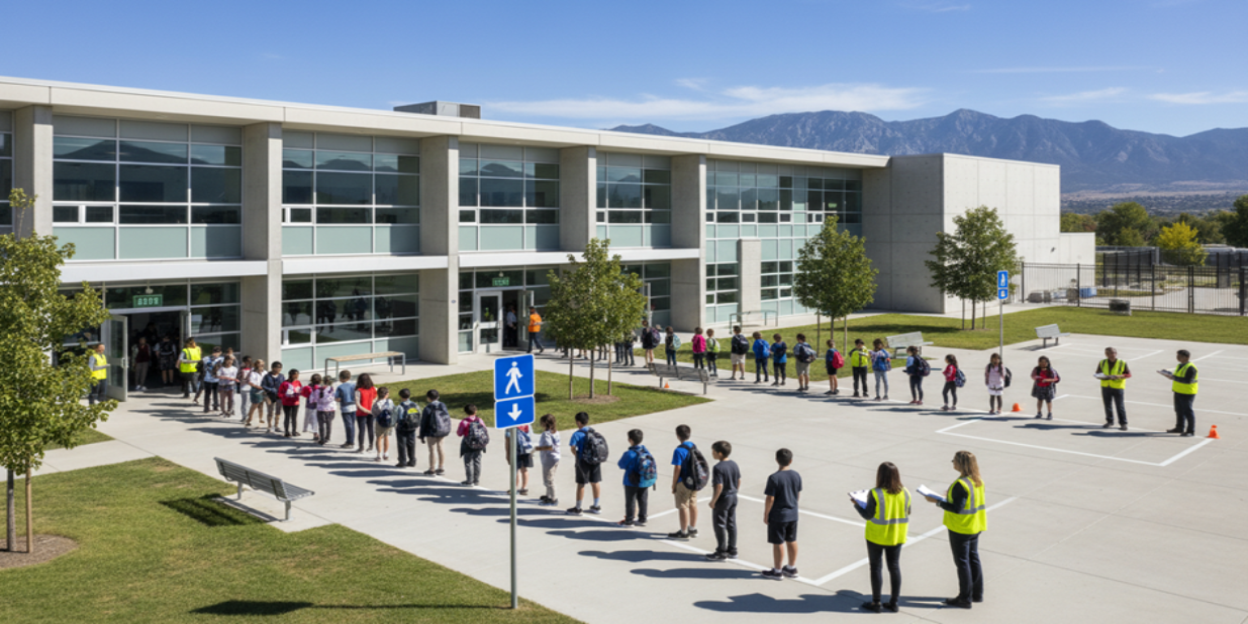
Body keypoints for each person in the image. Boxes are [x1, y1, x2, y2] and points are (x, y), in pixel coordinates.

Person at [923, 450, 986, 609]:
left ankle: (965, 598)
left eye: (954, 460)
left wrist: (936, 501)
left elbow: (957, 508)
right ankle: (977, 594)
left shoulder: (961, 484)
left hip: (961, 528)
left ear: (961, 464)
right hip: (975, 525)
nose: (952, 462)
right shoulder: (977, 480)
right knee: (973, 558)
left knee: (962, 563)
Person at [852, 462, 911, 613]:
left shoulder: (875, 493)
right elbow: (908, 511)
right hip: (896, 535)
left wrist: (857, 504)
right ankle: (894, 602)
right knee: (894, 566)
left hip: (877, 536)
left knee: (876, 567)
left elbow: (868, 515)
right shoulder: (905, 492)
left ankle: (876, 602)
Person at [762, 448, 801, 580]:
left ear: (776, 460)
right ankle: (791, 568)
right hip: (793, 514)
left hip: (779, 515)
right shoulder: (796, 475)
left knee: (778, 542)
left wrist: (766, 514)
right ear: (791, 460)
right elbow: (798, 494)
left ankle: (777, 571)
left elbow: (770, 499)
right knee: (792, 539)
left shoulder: (774, 478)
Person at [705, 440, 740, 561]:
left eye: (713, 451)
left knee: (719, 524)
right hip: (733, 496)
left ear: (719, 453)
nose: (712, 453)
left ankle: (721, 551)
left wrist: (713, 501)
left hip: (723, 498)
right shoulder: (734, 464)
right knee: (731, 523)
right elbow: (739, 480)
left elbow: (719, 486)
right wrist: (735, 491)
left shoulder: (718, 467)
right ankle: (733, 549)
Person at [567, 411, 604, 515]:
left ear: (578, 422)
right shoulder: (593, 431)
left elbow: (572, 448)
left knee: (581, 483)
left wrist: (577, 456)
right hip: (595, 460)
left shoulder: (576, 434)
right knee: (595, 482)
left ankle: (578, 508)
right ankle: (596, 506)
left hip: (583, 461)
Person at [667, 424, 700, 539]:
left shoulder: (679, 450)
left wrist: (674, 484)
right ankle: (692, 528)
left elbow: (677, 468)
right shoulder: (693, 446)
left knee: (683, 506)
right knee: (693, 504)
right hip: (695, 481)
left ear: (677, 435)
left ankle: (684, 531)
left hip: (683, 482)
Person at [616, 429, 651, 527]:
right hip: (644, 479)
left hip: (631, 481)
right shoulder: (645, 450)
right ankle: (642, 518)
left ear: (630, 440)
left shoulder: (629, 453)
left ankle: (629, 521)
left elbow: (621, 464)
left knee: (630, 500)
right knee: (643, 498)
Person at [1162, 350, 1199, 436]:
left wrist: (1173, 378)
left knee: (1188, 411)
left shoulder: (1191, 368)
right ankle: (1179, 427)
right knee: (1178, 410)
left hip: (1187, 392)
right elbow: (1178, 376)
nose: (1177, 358)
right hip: (1178, 391)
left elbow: (1188, 380)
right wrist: (1169, 375)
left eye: (1180, 356)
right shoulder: (1180, 365)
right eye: (1177, 356)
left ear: (1187, 357)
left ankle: (1190, 431)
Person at [1097, 347, 1131, 430]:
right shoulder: (1102, 362)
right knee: (1107, 405)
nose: (1112, 355)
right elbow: (1097, 373)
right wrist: (1100, 377)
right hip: (1105, 386)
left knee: (1120, 406)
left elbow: (1128, 375)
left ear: (1116, 353)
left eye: (1113, 353)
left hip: (1118, 387)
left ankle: (1123, 423)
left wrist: (1117, 376)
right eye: (1109, 353)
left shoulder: (1122, 362)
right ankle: (1110, 421)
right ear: (1106, 354)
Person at [419, 389, 450, 475]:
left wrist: (422, 435)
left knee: (432, 450)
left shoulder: (428, 408)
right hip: (442, 430)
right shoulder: (442, 405)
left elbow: (424, 422)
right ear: (438, 397)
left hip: (431, 431)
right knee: (441, 447)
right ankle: (441, 467)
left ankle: (432, 468)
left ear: (428, 398)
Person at [457, 404, 489, 485]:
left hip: (468, 444)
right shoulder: (480, 420)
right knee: (477, 461)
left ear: (465, 412)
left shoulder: (464, 422)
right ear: (475, 411)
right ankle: (476, 480)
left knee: (468, 462)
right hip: (479, 444)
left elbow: (459, 433)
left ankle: (469, 480)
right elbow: (485, 430)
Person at [534, 414, 561, 506]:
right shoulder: (556, 432)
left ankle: (553, 498)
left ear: (545, 423)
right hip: (555, 458)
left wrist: (536, 449)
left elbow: (549, 447)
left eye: (542, 422)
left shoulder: (546, 434)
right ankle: (548, 495)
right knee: (548, 478)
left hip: (549, 459)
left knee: (549, 479)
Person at [504, 423, 533, 495]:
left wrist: (507, 453)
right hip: (526, 450)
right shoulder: (527, 424)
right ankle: (524, 488)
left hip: (515, 450)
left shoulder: (509, 425)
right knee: (524, 469)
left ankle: (514, 488)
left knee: (515, 470)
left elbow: (507, 440)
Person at [394, 389, 419, 467]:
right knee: (411, 443)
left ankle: (402, 461)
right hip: (412, 427)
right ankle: (412, 460)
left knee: (402, 444)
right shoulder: (415, 405)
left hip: (402, 428)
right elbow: (418, 414)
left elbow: (397, 418)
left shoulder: (400, 407)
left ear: (400, 396)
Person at [1030, 356, 1060, 420]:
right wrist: (1037, 377)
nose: (1043, 363)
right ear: (1039, 362)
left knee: (1048, 401)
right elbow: (1032, 376)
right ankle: (1039, 412)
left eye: (1045, 362)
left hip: (1048, 387)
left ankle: (1049, 413)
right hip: (1039, 387)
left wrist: (1047, 380)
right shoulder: (1037, 369)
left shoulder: (1051, 370)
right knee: (1039, 400)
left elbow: (1055, 379)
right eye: (1042, 362)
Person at [354, 373, 378, 454]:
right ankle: (371, 446)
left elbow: (358, 404)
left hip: (361, 413)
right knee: (370, 429)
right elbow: (375, 398)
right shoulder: (373, 389)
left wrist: (366, 411)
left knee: (362, 430)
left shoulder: (358, 391)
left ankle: (361, 447)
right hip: (371, 412)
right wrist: (371, 409)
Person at [371, 387, 395, 462]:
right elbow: (393, 410)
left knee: (379, 437)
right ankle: (386, 453)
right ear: (386, 394)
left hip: (379, 422)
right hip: (388, 422)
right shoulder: (390, 401)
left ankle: (378, 455)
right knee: (386, 437)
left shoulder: (376, 404)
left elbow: (374, 414)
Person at [334, 370, 357, 448]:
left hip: (345, 408)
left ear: (341, 378)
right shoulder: (355, 385)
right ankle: (352, 440)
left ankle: (349, 442)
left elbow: (337, 398)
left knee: (348, 425)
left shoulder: (340, 387)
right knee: (352, 425)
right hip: (355, 407)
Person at [261, 362, 285, 434]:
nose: (278, 369)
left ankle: (276, 426)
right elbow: (263, 385)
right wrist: (271, 390)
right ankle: (269, 426)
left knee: (278, 411)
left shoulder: (281, 376)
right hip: (269, 395)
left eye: (280, 367)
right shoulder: (267, 376)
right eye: (277, 367)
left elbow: (284, 385)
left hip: (279, 396)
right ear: (273, 368)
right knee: (270, 411)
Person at [278, 369, 303, 438]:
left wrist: (300, 392)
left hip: (295, 402)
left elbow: (301, 390)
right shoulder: (284, 383)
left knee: (294, 417)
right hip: (286, 403)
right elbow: (279, 393)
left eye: (297, 376)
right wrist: (285, 395)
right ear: (291, 375)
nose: (297, 377)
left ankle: (294, 431)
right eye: (295, 376)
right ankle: (286, 432)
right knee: (287, 417)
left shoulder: (298, 382)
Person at [314, 376, 336, 446]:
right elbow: (334, 398)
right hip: (331, 409)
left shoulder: (318, 389)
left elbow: (314, 399)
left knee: (321, 424)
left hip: (320, 409)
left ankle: (322, 438)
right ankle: (328, 437)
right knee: (329, 423)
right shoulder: (333, 389)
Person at [200, 346, 223, 413]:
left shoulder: (206, 358)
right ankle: (211, 406)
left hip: (211, 379)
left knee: (210, 393)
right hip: (212, 379)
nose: (216, 354)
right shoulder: (221, 359)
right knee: (212, 393)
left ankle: (209, 407)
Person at [300, 373, 323, 441]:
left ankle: (315, 433)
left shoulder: (308, 387)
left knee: (312, 421)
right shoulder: (320, 388)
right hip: (318, 407)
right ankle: (317, 434)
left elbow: (303, 393)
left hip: (309, 406)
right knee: (316, 421)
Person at [244, 360, 266, 427]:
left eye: (262, 363)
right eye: (259, 363)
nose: (261, 365)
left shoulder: (265, 372)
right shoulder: (253, 372)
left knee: (261, 405)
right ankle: (249, 418)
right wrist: (258, 387)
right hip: (255, 390)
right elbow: (250, 382)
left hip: (263, 389)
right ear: (256, 364)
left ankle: (260, 419)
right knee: (255, 405)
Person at [236, 356, 253, 421]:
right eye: (247, 361)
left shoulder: (252, 369)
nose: (248, 362)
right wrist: (242, 379)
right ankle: (244, 416)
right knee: (244, 402)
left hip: (252, 387)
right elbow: (238, 377)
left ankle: (249, 416)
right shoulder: (241, 369)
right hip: (243, 387)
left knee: (250, 403)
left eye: (249, 361)